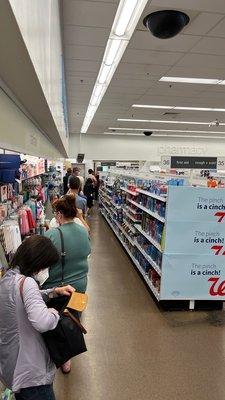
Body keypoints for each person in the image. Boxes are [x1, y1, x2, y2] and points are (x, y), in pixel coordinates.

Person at [0, 235, 74, 400]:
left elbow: (21, 298)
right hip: (32, 374)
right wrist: (56, 311)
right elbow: (43, 322)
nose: (44, 270)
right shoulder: (27, 283)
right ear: (37, 261)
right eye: (45, 266)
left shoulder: (8, 278)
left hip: (13, 365)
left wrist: (52, 292)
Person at [42, 196, 91, 373]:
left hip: (59, 288)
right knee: (72, 318)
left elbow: (41, 261)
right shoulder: (83, 230)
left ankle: (54, 357)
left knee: (56, 322)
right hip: (80, 285)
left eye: (55, 213)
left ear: (60, 214)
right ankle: (67, 360)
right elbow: (88, 251)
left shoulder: (52, 235)